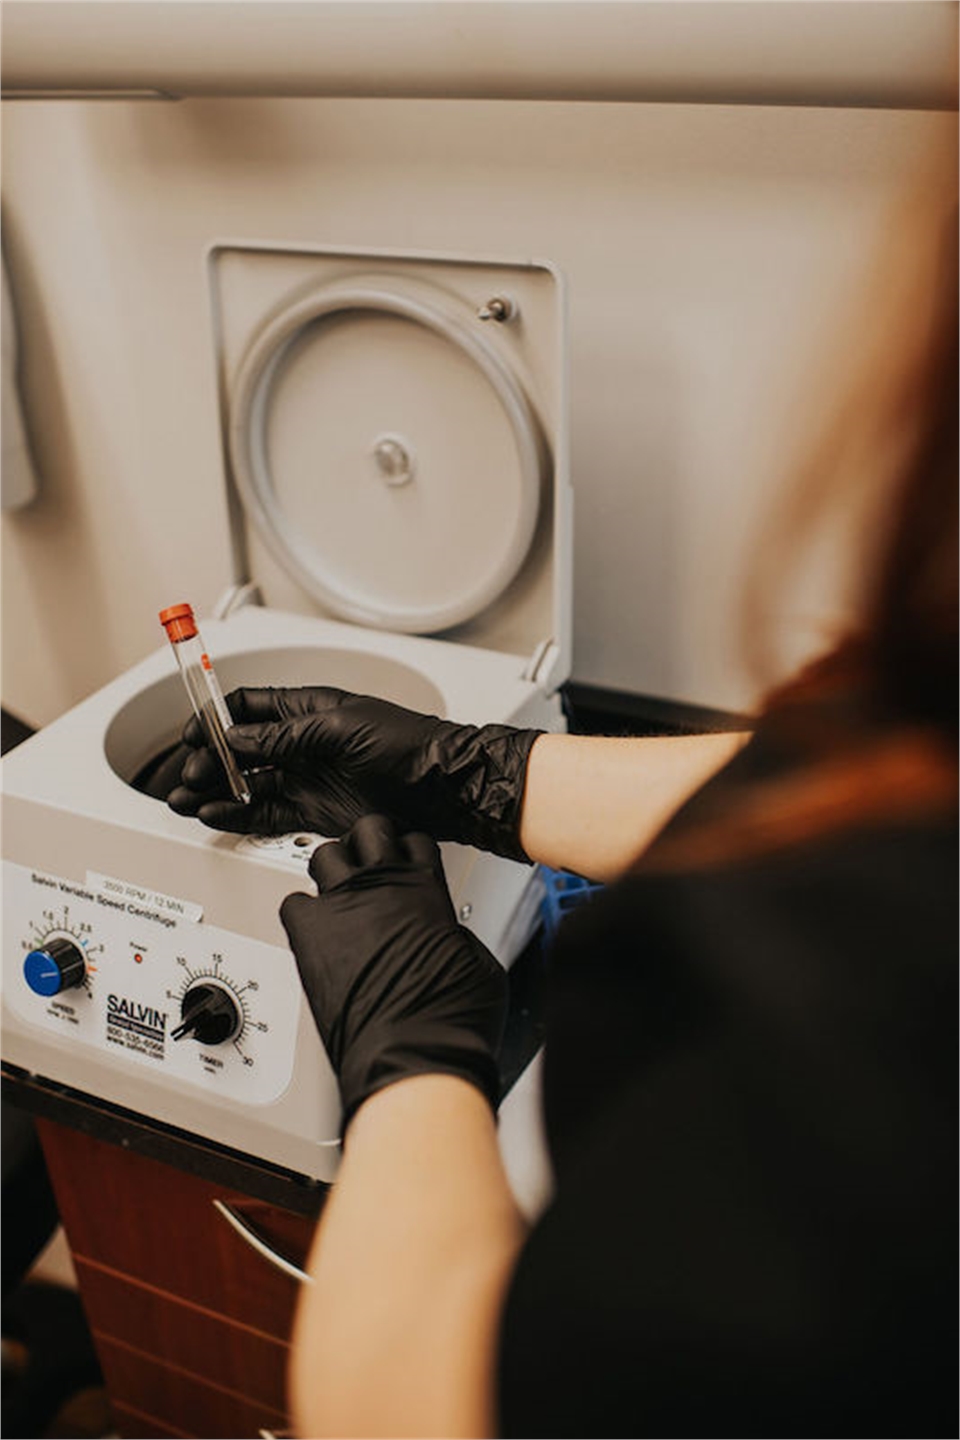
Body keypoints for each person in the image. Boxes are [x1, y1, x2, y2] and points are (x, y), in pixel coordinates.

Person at [166, 186, 956, 1438]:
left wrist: (409, 1052)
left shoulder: (871, 1093)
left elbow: (423, 1410)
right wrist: (474, 774)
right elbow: (894, 800)